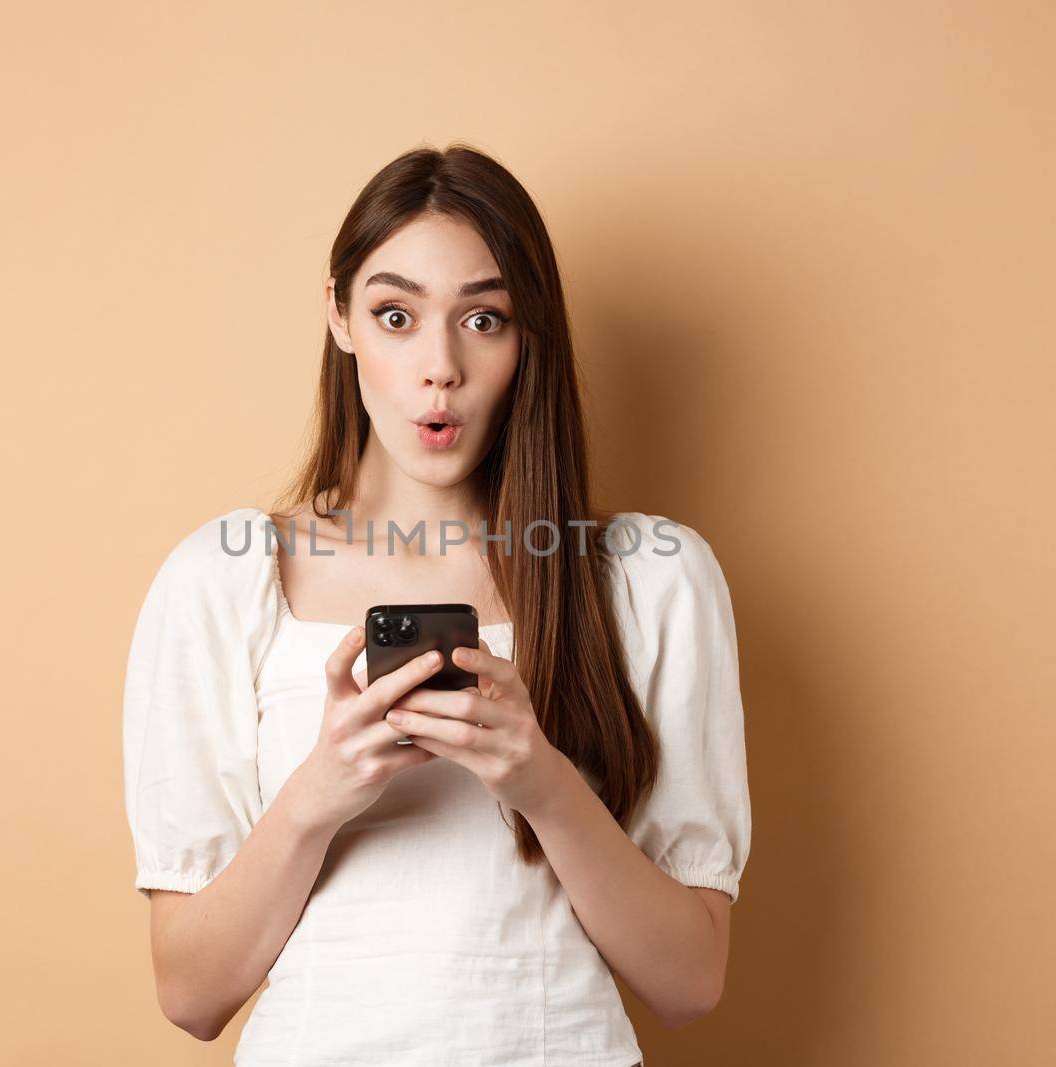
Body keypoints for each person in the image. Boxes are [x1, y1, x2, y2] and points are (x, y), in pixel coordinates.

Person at [122, 142, 751, 1065]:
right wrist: (319, 792)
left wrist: (539, 779)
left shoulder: (650, 579)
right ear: (339, 318)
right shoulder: (221, 579)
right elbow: (191, 990)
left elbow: (689, 982)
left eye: (484, 319)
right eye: (395, 314)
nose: (440, 367)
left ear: (529, 334)